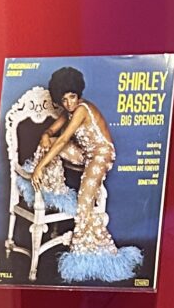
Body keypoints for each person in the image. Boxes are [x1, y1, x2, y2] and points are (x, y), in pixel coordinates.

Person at [27, 67, 144, 283]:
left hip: (101, 154)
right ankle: (53, 189)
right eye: (64, 99)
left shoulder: (81, 109)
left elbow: (64, 140)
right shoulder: (68, 111)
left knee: (84, 201)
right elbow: (52, 133)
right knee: (48, 144)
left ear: (78, 93)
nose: (69, 103)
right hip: (85, 153)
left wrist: (39, 167)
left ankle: (91, 257)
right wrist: (45, 134)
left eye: (72, 96)